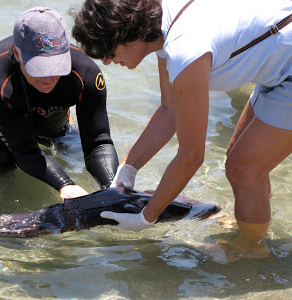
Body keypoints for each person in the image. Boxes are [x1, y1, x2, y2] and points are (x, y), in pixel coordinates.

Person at [72, 0, 292, 256]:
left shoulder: (184, 50)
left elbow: (191, 157)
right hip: (278, 68)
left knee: (244, 169)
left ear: (128, 35)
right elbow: (170, 108)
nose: (107, 62)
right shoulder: (165, 25)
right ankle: (259, 222)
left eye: (107, 52)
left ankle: (252, 250)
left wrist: (146, 217)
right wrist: (128, 168)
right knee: (241, 159)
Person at [0, 7, 118, 201]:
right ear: (17, 54)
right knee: (1, 158)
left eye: (56, 66)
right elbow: (24, 150)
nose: (48, 78)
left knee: (74, 153)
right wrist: (65, 185)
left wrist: (114, 189)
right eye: (39, 68)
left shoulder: (87, 74)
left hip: (49, 114)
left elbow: (98, 142)